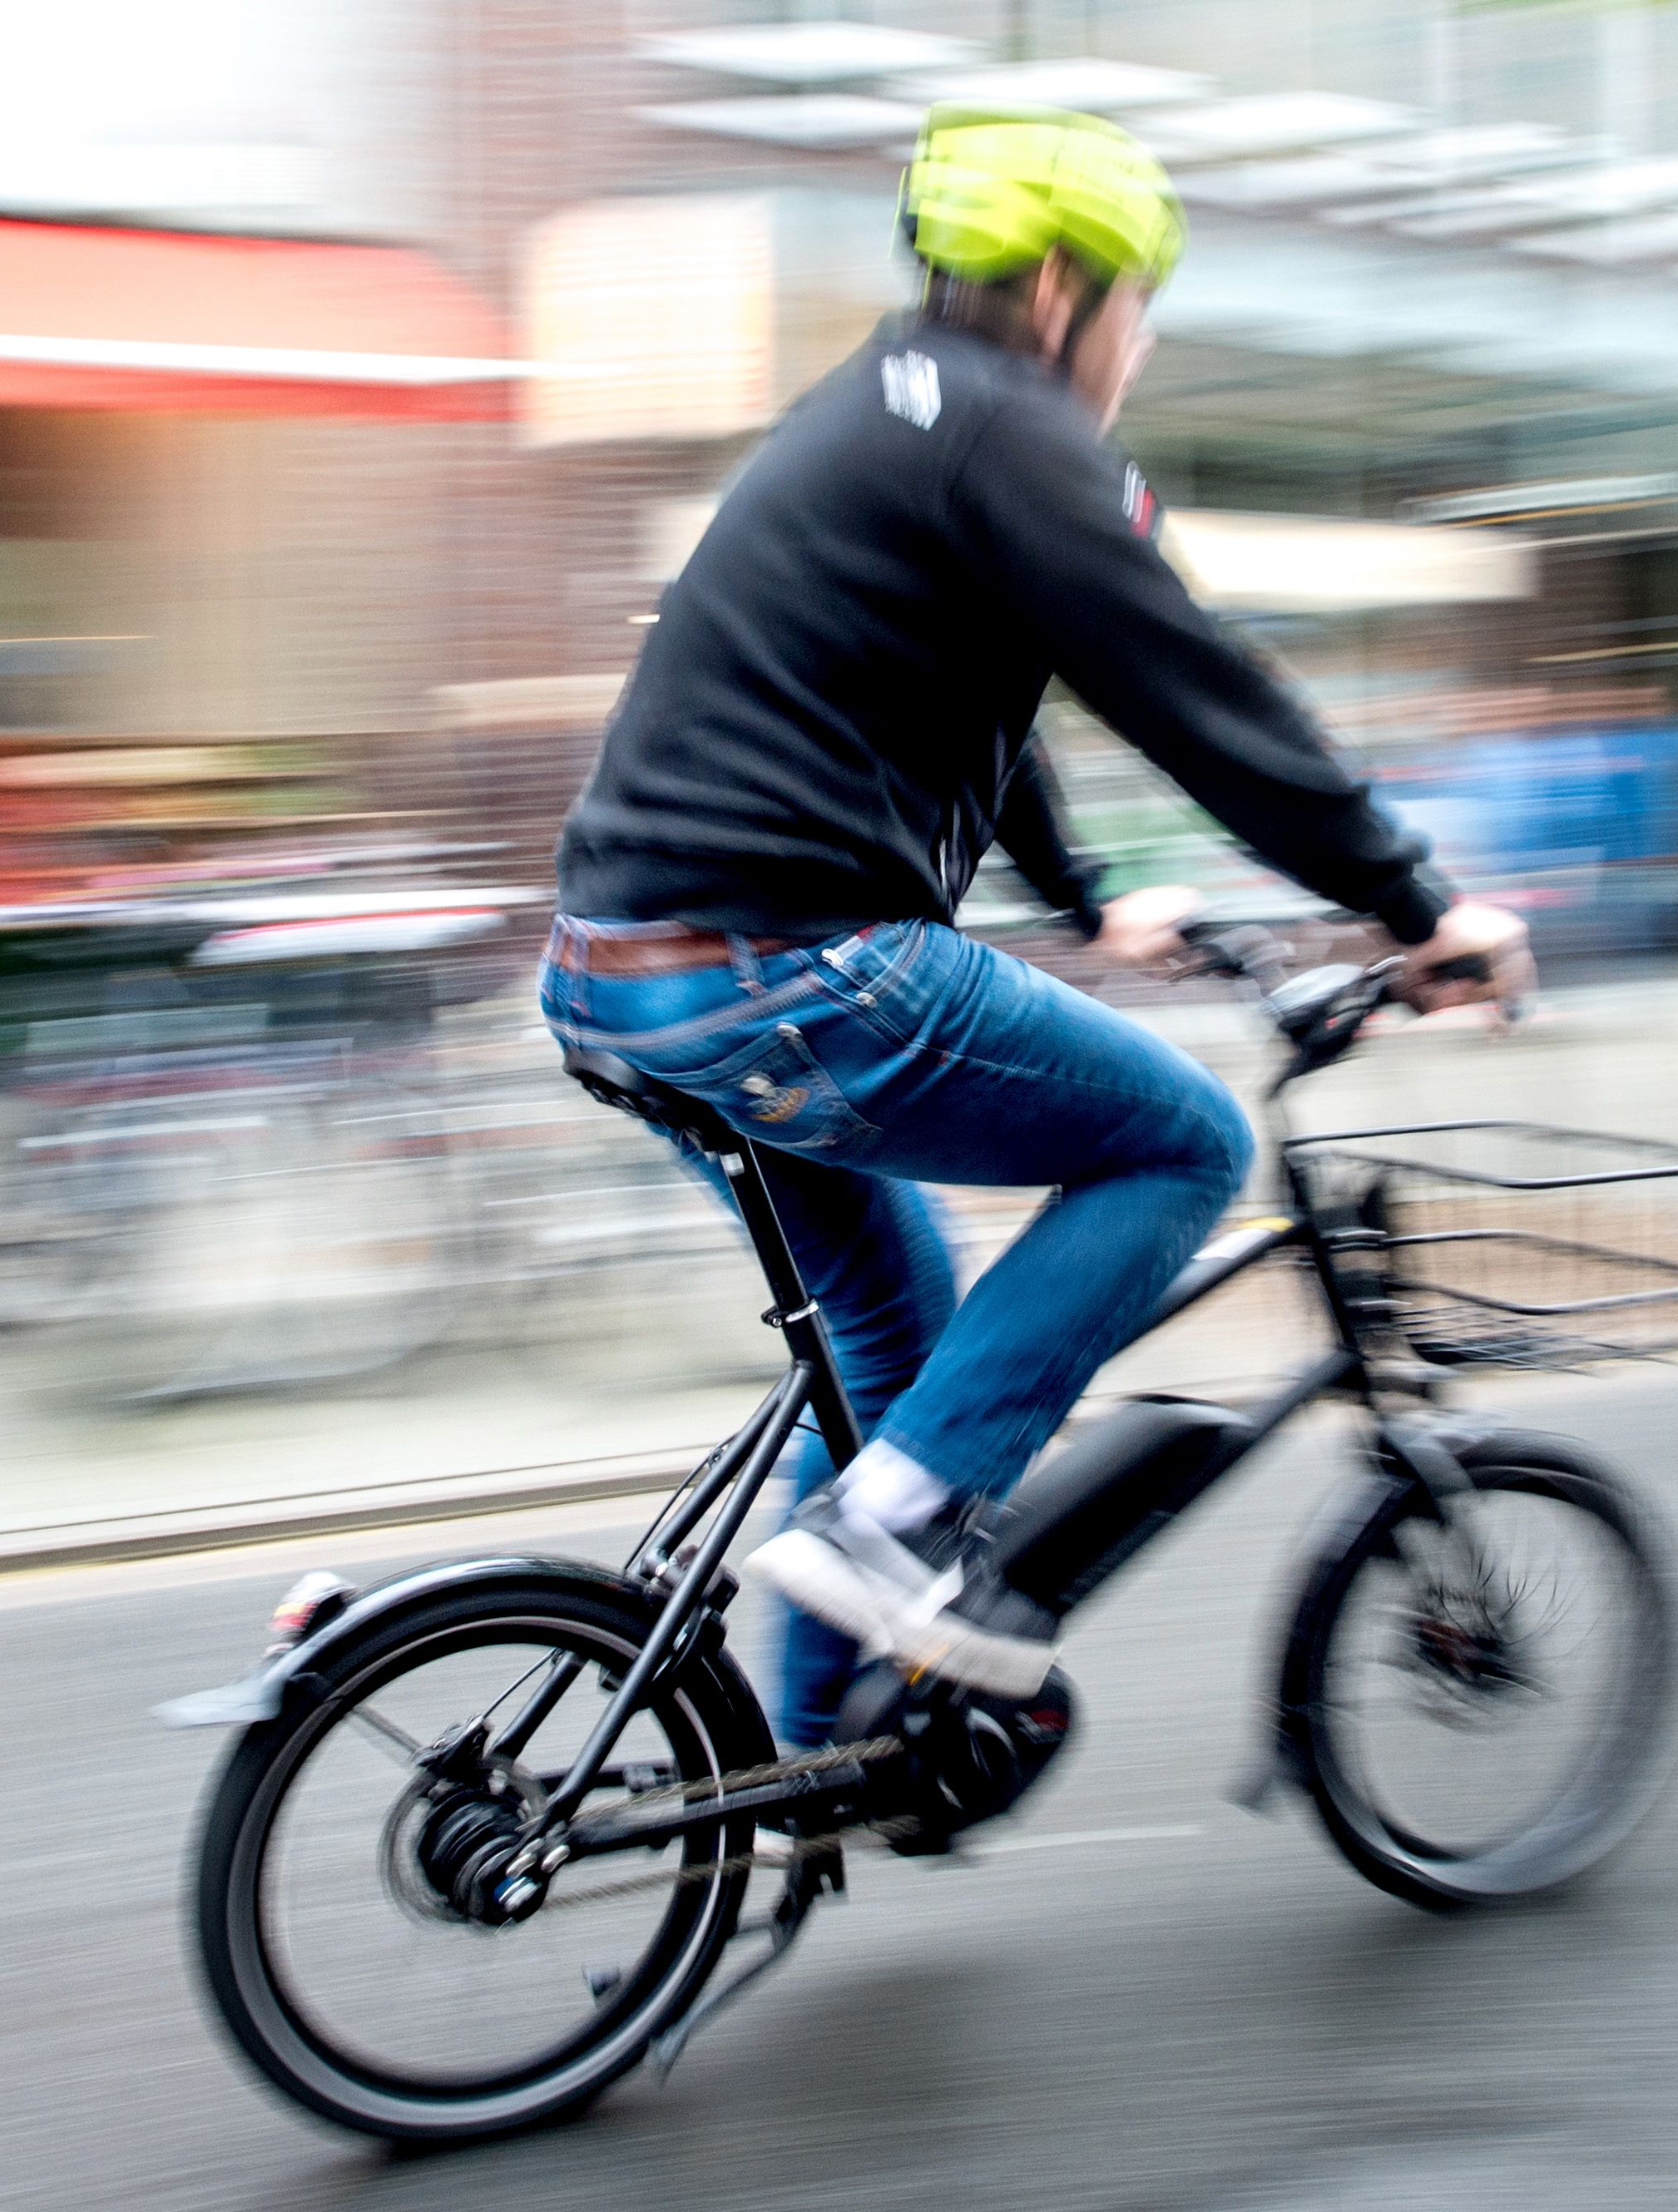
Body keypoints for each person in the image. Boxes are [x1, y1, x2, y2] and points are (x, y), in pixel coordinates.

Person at [542, 104, 1532, 1746]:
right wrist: (1415, 905)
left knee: (891, 1330)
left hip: (619, 976)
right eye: (1140, 303)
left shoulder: (880, 411)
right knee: (1178, 1143)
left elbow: (966, 708)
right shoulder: (1010, 429)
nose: (1137, 345)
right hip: (789, 968)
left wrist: (1085, 901)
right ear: (1065, 281)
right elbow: (1198, 690)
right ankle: (896, 1533)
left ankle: (821, 1757)